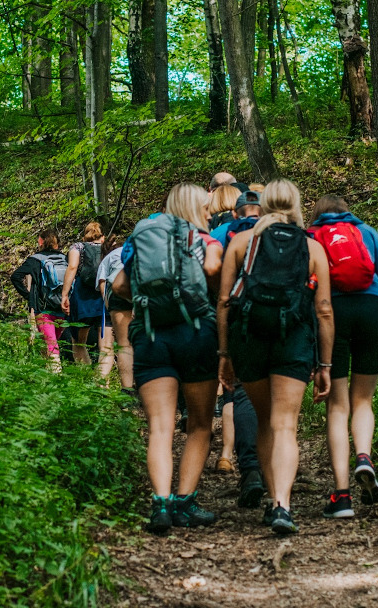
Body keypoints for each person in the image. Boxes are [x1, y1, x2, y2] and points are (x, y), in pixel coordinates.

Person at [217, 179, 334, 535]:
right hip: (294, 339)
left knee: (266, 418)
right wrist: (325, 364)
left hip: (249, 338)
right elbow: (325, 309)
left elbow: (223, 302)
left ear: (263, 205)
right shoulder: (312, 248)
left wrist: (224, 354)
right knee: (285, 424)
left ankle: (272, 499)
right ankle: (282, 504)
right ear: (297, 205)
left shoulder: (240, 242)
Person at [113, 183, 224, 533]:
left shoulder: (141, 239)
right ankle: (184, 503)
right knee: (200, 423)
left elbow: (117, 287)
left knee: (160, 427)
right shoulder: (205, 241)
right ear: (194, 208)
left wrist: (150, 300)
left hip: (150, 336)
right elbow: (213, 276)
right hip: (196, 335)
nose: (211, 213)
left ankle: (159, 504)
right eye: (206, 207)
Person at [309, 194, 378, 518]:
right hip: (373, 310)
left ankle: (341, 497)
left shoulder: (312, 238)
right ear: (348, 212)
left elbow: (309, 294)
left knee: (337, 405)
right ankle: (363, 456)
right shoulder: (368, 233)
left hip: (334, 315)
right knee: (363, 401)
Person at [210, 189, 267, 508]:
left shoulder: (222, 234)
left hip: (240, 320)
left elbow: (216, 285)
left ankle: (250, 469)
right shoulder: (282, 230)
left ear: (236, 213)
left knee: (241, 394)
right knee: (280, 411)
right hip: (286, 325)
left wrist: (222, 349)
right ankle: (279, 489)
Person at [10, 228, 68, 373]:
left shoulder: (35, 260)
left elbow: (15, 277)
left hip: (43, 309)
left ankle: (58, 383)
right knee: (47, 343)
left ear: (41, 241)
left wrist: (29, 296)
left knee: (51, 346)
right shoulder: (65, 259)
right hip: (63, 308)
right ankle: (43, 378)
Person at [60, 221, 107, 365]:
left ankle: (85, 377)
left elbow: (73, 267)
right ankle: (103, 381)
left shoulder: (78, 247)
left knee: (79, 342)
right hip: (104, 295)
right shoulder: (109, 249)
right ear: (102, 237)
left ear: (85, 236)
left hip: (83, 297)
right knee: (106, 345)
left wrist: (65, 294)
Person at [96, 234, 135, 392]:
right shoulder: (134, 251)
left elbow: (103, 283)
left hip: (118, 298)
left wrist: (109, 307)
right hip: (139, 292)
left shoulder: (108, 258)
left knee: (123, 345)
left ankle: (126, 390)